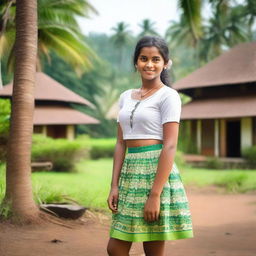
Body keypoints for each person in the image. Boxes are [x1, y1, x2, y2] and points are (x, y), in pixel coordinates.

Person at [107, 36, 193, 256]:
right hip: (130, 175)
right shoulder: (125, 97)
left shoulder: (169, 96)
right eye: (143, 58)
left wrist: (155, 195)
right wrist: (114, 185)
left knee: (152, 249)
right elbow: (120, 143)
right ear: (136, 62)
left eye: (156, 59)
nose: (149, 64)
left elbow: (170, 145)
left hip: (156, 174)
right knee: (115, 249)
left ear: (165, 63)